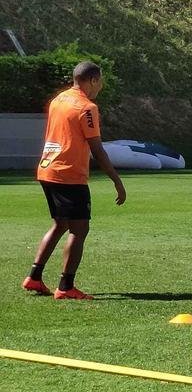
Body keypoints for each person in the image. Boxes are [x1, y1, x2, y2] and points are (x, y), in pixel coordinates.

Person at [22, 61, 126, 300]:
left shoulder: (59, 100)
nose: (101, 86)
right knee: (79, 229)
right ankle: (66, 286)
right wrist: (117, 181)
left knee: (61, 224)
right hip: (68, 174)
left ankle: (34, 277)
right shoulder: (87, 107)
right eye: (100, 81)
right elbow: (97, 150)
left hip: (47, 169)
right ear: (92, 80)